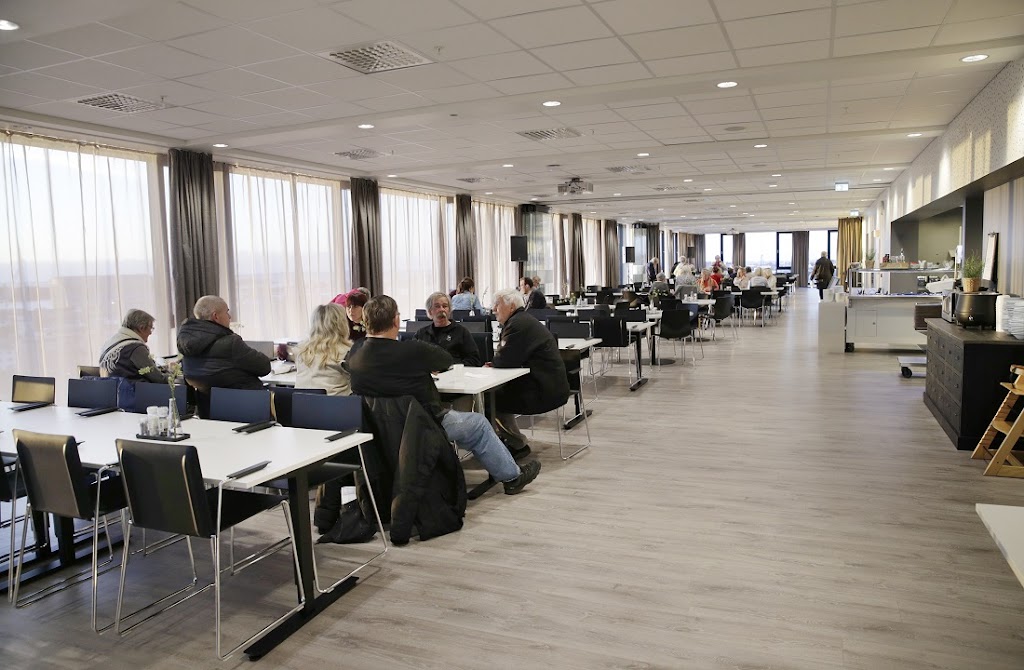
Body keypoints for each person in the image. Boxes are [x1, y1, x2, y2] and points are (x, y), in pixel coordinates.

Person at [346, 295, 540, 494]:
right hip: (423, 425)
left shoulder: (355, 353)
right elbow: (445, 360)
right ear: (396, 320)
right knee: (478, 424)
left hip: (378, 429)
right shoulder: (414, 350)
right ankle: (512, 477)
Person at [489, 289, 570, 458]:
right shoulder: (521, 320)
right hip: (548, 384)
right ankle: (503, 441)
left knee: (489, 399)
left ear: (511, 306)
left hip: (543, 390)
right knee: (494, 395)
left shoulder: (517, 325)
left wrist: (493, 364)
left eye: (497, 304)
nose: (493, 309)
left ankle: (515, 444)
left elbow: (504, 361)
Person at [177, 295, 271, 391]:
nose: (229, 316)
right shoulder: (231, 343)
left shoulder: (186, 343)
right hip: (244, 398)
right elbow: (264, 367)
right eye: (227, 312)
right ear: (216, 316)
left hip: (207, 399)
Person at [295, 303, 352, 396]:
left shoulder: (302, 352)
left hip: (302, 404)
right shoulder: (346, 352)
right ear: (342, 324)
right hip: (336, 404)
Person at [98, 308, 168, 383]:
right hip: (133, 389)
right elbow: (159, 379)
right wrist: (174, 374)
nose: (150, 333)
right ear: (141, 328)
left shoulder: (109, 343)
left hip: (110, 389)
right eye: (151, 328)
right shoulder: (136, 348)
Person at [415, 292, 481, 367]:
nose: (441, 309)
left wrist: (451, 367)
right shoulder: (421, 334)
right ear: (430, 311)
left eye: (445, 306)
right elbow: (411, 358)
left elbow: (474, 360)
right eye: (437, 306)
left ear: (449, 311)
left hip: (454, 372)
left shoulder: (461, 332)